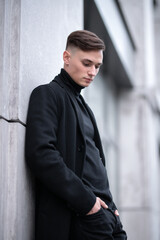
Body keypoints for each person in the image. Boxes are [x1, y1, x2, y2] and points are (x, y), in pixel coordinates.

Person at [25, 30, 127, 240]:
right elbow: (41, 155)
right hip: (82, 218)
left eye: (97, 66)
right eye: (87, 63)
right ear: (66, 58)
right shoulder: (48, 94)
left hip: (107, 217)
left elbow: (95, 165)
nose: (93, 72)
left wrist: (112, 210)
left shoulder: (85, 107)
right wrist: (88, 203)